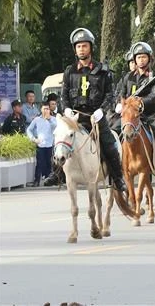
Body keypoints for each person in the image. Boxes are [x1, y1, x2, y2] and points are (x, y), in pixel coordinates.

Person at [43, 28, 127, 191]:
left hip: (95, 116)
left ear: (91, 48)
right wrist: (66, 109)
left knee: (109, 142)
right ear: (75, 49)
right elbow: (64, 94)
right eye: (78, 46)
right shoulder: (69, 71)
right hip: (74, 117)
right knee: (60, 136)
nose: (81, 49)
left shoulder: (103, 71)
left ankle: (117, 177)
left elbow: (110, 95)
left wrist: (101, 110)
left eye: (84, 46)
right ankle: (57, 172)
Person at [116, 41, 155, 177]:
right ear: (134, 59)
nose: (141, 60)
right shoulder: (127, 77)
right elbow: (120, 94)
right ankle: (115, 167)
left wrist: (140, 103)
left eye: (144, 57)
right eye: (138, 57)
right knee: (112, 131)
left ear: (149, 58)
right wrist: (118, 103)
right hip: (129, 116)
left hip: (148, 114)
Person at [26, 102, 57, 186]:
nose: (46, 110)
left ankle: (48, 179)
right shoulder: (37, 119)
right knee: (39, 163)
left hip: (50, 144)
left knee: (49, 163)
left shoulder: (53, 119)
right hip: (40, 144)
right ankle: (37, 180)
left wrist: (49, 119)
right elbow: (29, 129)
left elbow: (55, 127)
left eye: (47, 109)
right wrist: (33, 139)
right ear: (41, 109)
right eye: (44, 109)